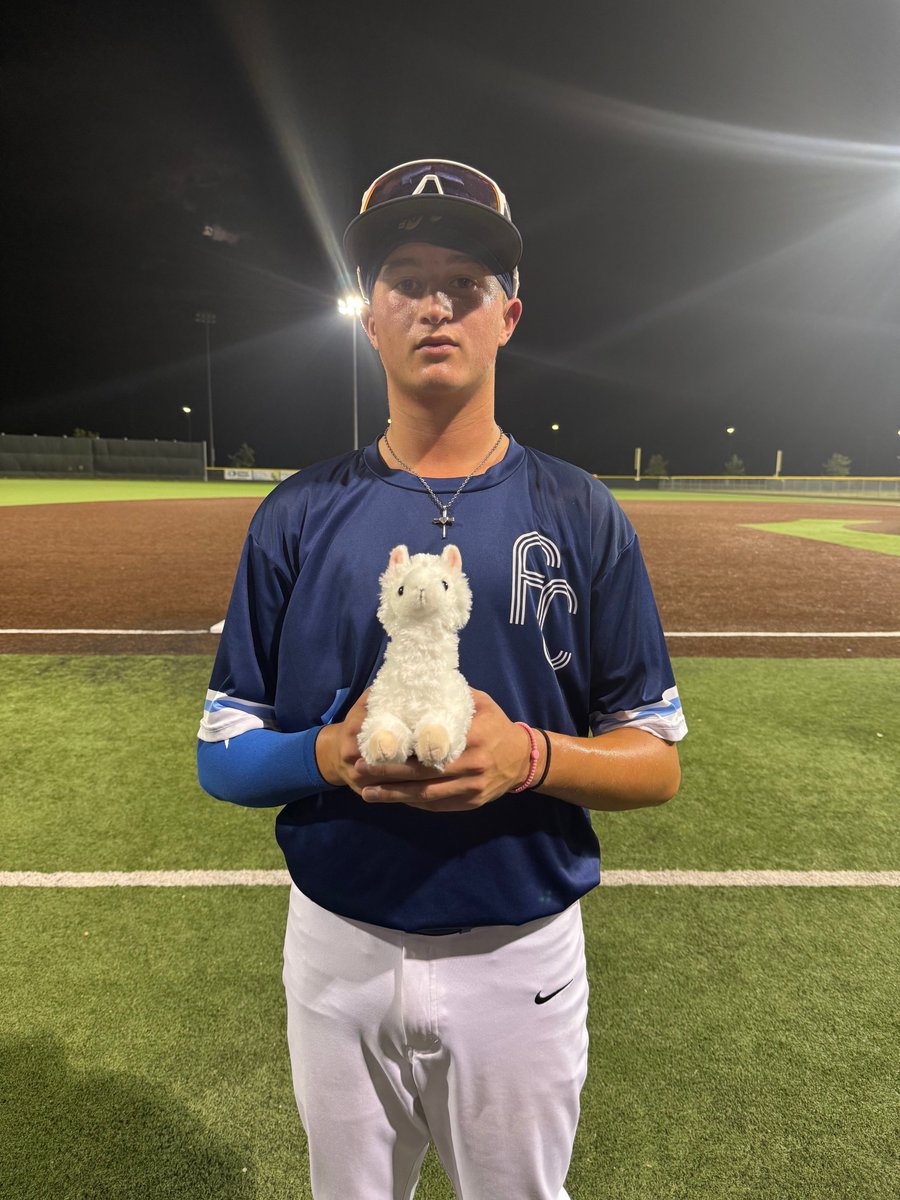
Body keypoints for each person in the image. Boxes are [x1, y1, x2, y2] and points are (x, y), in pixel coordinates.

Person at [197, 158, 688, 1200]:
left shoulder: (583, 512)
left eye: (463, 284)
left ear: (508, 315)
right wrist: (330, 752)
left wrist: (530, 756)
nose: (434, 305)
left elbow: (656, 762)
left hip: (521, 961)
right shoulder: (295, 514)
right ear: (368, 316)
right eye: (404, 279)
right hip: (338, 953)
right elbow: (221, 755)